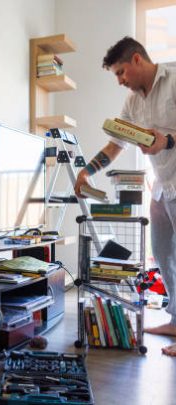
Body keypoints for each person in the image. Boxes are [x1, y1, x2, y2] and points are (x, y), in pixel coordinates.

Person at [74, 36, 176, 356]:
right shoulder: (132, 102)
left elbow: (165, 140)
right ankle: (175, 319)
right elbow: (115, 144)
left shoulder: (174, 81)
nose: (120, 81)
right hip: (162, 187)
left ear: (136, 60)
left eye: (120, 72)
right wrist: (88, 171)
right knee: (162, 254)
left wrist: (168, 141)